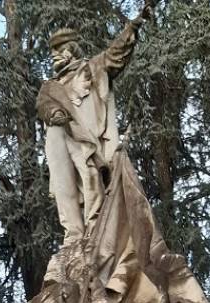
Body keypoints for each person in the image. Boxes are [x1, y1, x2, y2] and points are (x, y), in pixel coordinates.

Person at [36, 1, 155, 243]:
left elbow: (117, 52)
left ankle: (94, 229)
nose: (56, 56)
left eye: (61, 50)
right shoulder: (51, 87)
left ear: (73, 49)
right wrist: (54, 115)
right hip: (63, 139)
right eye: (53, 53)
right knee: (63, 186)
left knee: (91, 176)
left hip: (91, 141)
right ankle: (73, 235)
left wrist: (135, 25)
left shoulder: (94, 67)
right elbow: (43, 106)